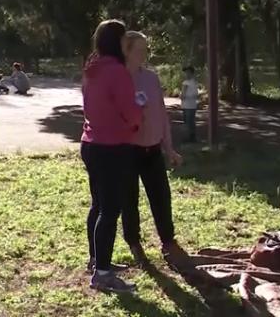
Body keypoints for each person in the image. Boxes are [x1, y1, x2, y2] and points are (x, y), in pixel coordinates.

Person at [80, 19, 143, 293]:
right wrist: (139, 111)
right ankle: (102, 274)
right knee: (110, 210)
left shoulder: (91, 68)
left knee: (99, 205)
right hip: (111, 147)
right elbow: (130, 111)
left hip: (91, 143)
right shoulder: (117, 72)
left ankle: (97, 261)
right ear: (118, 43)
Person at [119, 31, 186, 267]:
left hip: (152, 149)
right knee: (129, 199)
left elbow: (161, 114)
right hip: (128, 150)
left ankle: (168, 241)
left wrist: (169, 149)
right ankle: (134, 242)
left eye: (146, 49)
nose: (144, 54)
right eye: (139, 49)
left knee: (161, 196)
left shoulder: (151, 78)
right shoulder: (118, 79)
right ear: (126, 50)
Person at [181, 66, 199, 143]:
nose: (186, 74)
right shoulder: (186, 82)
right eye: (186, 72)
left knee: (190, 122)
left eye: (188, 72)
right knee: (187, 122)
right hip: (186, 105)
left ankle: (191, 137)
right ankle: (189, 137)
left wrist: (185, 96)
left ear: (192, 73)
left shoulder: (192, 83)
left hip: (190, 106)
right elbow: (183, 94)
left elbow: (195, 94)